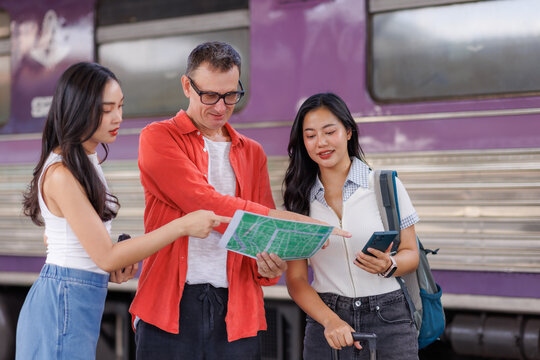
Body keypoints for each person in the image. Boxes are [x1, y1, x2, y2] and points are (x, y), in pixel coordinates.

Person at [130, 42, 349, 359]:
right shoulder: (159, 137)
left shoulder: (252, 152)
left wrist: (269, 266)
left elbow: (264, 250)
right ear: (186, 86)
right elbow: (205, 205)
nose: (220, 107)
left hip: (238, 310)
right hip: (170, 306)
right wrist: (286, 219)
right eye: (210, 96)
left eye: (231, 95)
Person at [16, 62, 229, 360]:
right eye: (106, 110)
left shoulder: (85, 159)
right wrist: (183, 226)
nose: (118, 117)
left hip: (76, 297)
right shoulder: (62, 172)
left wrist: (110, 263)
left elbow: (76, 245)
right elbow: (104, 256)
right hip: (63, 301)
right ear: (77, 109)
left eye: (120, 106)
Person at [283, 93, 420, 360]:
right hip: (327, 320)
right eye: (310, 135)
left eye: (329, 131)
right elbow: (296, 279)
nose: (320, 142)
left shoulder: (385, 186)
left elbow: (411, 254)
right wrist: (330, 320)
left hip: (390, 318)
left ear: (348, 131)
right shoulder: (298, 200)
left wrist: (389, 265)